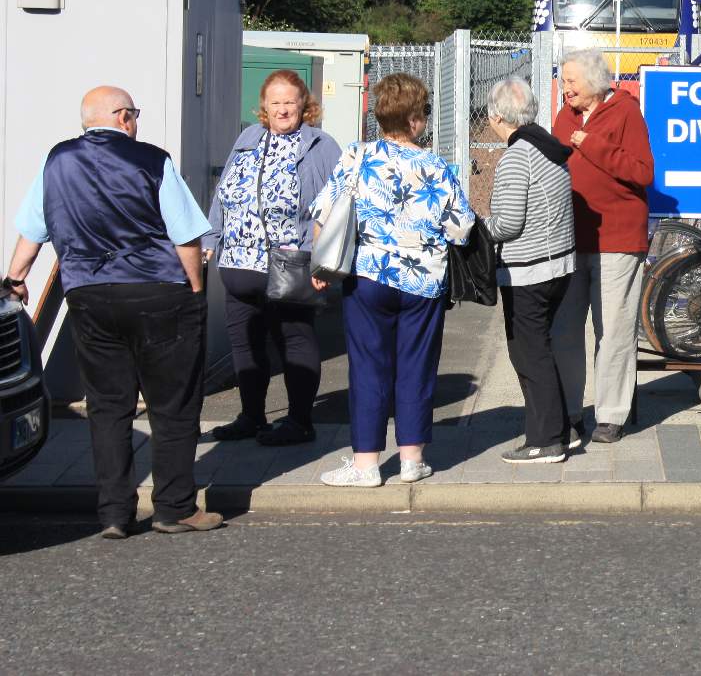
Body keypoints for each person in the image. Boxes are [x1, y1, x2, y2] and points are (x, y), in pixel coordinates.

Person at [3, 86, 221, 538]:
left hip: (89, 296)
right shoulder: (152, 160)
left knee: (107, 406)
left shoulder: (56, 162)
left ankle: (115, 514)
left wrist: (15, 279)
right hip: (158, 293)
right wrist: (195, 292)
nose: (136, 121)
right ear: (122, 117)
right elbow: (185, 236)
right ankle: (175, 507)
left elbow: (32, 230)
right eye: (134, 113)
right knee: (173, 404)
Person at [311, 73, 472, 487]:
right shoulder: (437, 166)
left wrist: (320, 269)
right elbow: (461, 229)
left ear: (379, 115)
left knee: (368, 367)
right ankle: (412, 460)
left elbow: (324, 215)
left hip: (368, 276)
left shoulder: (356, 156)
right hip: (424, 283)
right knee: (417, 367)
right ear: (418, 119)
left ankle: (365, 465)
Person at [203, 70, 340, 445]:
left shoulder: (320, 145)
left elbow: (339, 206)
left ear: (304, 105)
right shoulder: (248, 138)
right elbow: (224, 192)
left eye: (290, 102)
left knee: (294, 340)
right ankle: (252, 416)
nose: (282, 109)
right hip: (238, 262)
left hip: (289, 264)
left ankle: (299, 422)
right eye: (275, 102)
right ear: (264, 106)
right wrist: (211, 235)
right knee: (244, 342)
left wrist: (321, 257)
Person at [551, 49, 654, 445]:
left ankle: (610, 414)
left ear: (594, 82)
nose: (566, 88)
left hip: (616, 240)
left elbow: (642, 171)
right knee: (566, 329)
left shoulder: (626, 113)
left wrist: (590, 144)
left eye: (572, 81)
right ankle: (570, 411)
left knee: (612, 330)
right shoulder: (566, 116)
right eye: (564, 80)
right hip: (570, 239)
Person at [483, 76, 577, 464]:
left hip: (529, 271)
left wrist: (470, 225)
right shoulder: (547, 147)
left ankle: (545, 441)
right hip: (558, 265)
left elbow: (506, 225)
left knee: (528, 354)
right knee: (540, 349)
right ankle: (558, 429)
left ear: (496, 116)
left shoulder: (516, 156)